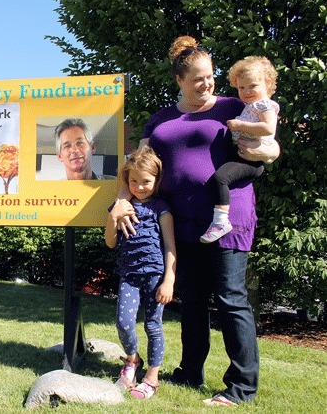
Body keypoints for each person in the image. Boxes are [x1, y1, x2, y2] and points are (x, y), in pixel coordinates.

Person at [118, 36, 280, 406]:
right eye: (197, 79)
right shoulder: (161, 119)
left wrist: (268, 150)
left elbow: (270, 141)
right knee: (191, 301)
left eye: (210, 77)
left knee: (230, 298)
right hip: (183, 222)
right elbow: (137, 165)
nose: (207, 84)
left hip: (228, 218)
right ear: (179, 80)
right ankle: (190, 371)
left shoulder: (233, 106)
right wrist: (121, 200)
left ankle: (241, 386)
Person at [105, 145, 176, 399]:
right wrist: (113, 216)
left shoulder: (161, 209)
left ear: (157, 180)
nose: (139, 187)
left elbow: (170, 246)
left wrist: (169, 280)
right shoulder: (122, 206)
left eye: (146, 181)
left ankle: (152, 377)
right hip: (129, 275)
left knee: (153, 325)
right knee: (124, 323)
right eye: (133, 181)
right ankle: (132, 360)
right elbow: (110, 242)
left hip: (155, 276)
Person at [200, 56, 280, 243]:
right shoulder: (250, 106)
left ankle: (221, 221)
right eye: (241, 87)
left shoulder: (265, 105)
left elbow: (269, 128)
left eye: (252, 86)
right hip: (243, 155)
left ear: (267, 83)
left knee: (220, 178)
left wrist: (240, 125)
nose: (246, 91)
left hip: (251, 160)